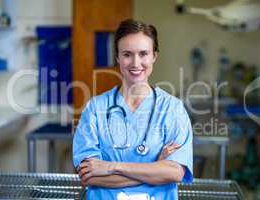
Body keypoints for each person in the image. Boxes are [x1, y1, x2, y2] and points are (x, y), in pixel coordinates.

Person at [73, 19, 193, 200]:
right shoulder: (95, 109)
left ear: (154, 56)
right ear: (117, 58)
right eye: (127, 54)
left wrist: (111, 167)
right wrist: (156, 168)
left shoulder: (172, 109)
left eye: (143, 53)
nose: (136, 63)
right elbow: (89, 175)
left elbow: (175, 172)